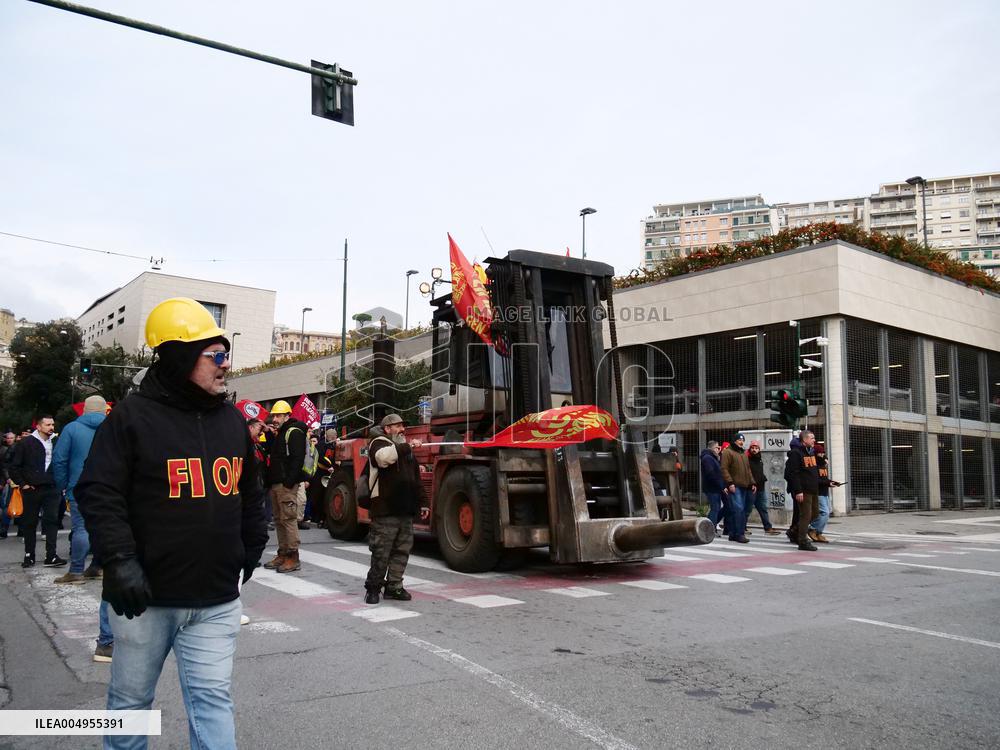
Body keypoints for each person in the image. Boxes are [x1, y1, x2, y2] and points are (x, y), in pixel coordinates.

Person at [76, 296, 267, 750]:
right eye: (216, 355)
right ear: (181, 357)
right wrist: (120, 559)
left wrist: (252, 545)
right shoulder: (131, 418)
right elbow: (98, 492)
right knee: (130, 704)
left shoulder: (231, 420)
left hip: (216, 600)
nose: (225, 365)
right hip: (146, 601)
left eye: (227, 355)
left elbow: (250, 490)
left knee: (212, 700)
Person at [364, 414, 424, 605]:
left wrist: (423, 502)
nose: (402, 429)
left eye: (402, 426)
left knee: (401, 551)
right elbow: (383, 459)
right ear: (387, 429)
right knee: (381, 551)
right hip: (385, 509)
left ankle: (394, 587)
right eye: (397, 426)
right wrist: (408, 447)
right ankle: (373, 588)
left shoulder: (405, 450)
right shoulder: (378, 444)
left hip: (405, 510)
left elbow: (416, 479)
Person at [52, 395, 108, 584]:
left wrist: (63, 485)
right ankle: (98, 567)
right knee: (105, 527)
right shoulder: (113, 427)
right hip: (110, 486)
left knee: (81, 528)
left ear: (85, 409)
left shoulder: (72, 428)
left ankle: (76, 571)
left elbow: (59, 460)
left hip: (80, 485)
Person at [8, 415, 66, 567]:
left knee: (52, 521)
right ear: (39, 426)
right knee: (30, 522)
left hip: (52, 488)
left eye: (52, 424)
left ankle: (51, 555)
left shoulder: (57, 441)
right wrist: (23, 484)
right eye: (47, 424)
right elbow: (14, 466)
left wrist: (61, 482)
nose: (51, 427)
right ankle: (29, 555)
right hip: (32, 489)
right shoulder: (26, 443)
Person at [263, 399, 308, 573]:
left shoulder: (293, 432)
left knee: (288, 520)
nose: (275, 418)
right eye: (274, 415)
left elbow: (297, 459)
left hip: (285, 484)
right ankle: (282, 553)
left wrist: (289, 482)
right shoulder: (281, 432)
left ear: (288, 415)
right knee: (280, 520)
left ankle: (292, 556)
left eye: (279, 415)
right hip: (277, 483)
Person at [784, 430, 820, 552]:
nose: (814, 440)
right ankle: (802, 541)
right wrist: (798, 490)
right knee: (806, 515)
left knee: (815, 513)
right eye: (812, 438)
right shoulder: (796, 453)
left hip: (813, 488)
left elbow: (812, 471)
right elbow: (794, 473)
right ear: (804, 440)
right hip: (804, 490)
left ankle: (794, 530)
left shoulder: (811, 452)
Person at [720, 432, 755, 544]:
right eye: (739, 440)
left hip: (744, 485)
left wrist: (752, 482)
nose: (741, 442)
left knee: (740, 510)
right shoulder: (727, 452)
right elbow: (724, 469)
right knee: (739, 509)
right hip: (735, 485)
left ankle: (733, 534)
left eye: (742, 440)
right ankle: (739, 534)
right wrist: (730, 483)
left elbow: (748, 470)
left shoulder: (743, 454)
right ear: (734, 441)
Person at [808, 442, 841, 544]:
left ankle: (818, 532)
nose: (822, 455)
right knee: (825, 512)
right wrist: (828, 483)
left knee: (827, 512)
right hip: (818, 492)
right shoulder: (814, 465)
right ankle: (812, 528)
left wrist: (831, 482)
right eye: (820, 453)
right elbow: (815, 480)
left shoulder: (823, 465)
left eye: (823, 453)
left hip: (824, 491)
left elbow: (824, 479)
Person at [746, 440, 779, 535]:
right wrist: (751, 483)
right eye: (752, 448)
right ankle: (742, 527)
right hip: (751, 487)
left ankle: (768, 527)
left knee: (763, 508)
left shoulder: (759, 458)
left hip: (760, 487)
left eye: (756, 448)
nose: (754, 450)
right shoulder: (747, 459)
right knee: (747, 509)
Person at [699, 441, 725, 534]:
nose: (719, 450)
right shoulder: (708, 458)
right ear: (713, 448)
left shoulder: (712, 458)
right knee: (715, 508)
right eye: (718, 448)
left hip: (715, 487)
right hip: (712, 487)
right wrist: (720, 485)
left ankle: (709, 526)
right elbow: (711, 474)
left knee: (717, 507)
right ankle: (710, 527)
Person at [0, 430, 15, 538]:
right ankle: (4, 529)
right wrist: (7, 479)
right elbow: (4, 466)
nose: (9, 440)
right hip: (10, 480)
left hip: (17, 480)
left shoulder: (7, 450)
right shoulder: (5, 450)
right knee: (6, 505)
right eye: (8, 438)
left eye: (12, 438)